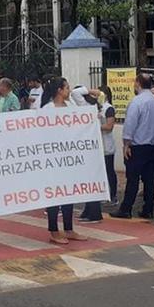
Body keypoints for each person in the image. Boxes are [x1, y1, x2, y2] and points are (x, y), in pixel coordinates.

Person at [40, 78, 90, 243]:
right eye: (67, 88)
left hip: (70, 159)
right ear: (60, 90)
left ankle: (69, 229)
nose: (69, 91)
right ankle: (54, 231)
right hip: (53, 160)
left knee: (69, 194)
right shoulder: (47, 110)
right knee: (55, 195)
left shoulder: (71, 107)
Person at [111, 73, 154, 219]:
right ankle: (148, 209)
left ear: (138, 83)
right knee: (150, 179)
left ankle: (126, 208)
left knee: (133, 178)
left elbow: (130, 124)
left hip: (138, 146)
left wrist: (126, 143)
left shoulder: (137, 102)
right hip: (152, 146)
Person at [94, 86, 118, 209]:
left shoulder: (108, 109)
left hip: (106, 145)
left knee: (109, 171)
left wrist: (95, 126)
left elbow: (109, 127)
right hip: (98, 146)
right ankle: (103, 194)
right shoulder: (95, 108)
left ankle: (113, 195)